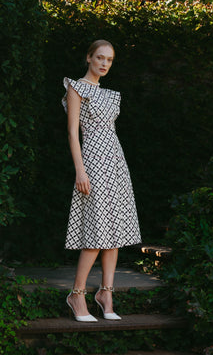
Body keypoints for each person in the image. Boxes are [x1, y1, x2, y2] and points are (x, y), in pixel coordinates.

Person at [61, 40, 141, 322]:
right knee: (96, 230)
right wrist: (80, 171)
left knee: (115, 230)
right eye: (100, 58)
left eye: (109, 59)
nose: (104, 63)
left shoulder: (111, 94)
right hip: (92, 162)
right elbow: (73, 133)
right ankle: (77, 294)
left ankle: (106, 293)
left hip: (116, 162)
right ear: (89, 58)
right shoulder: (76, 87)